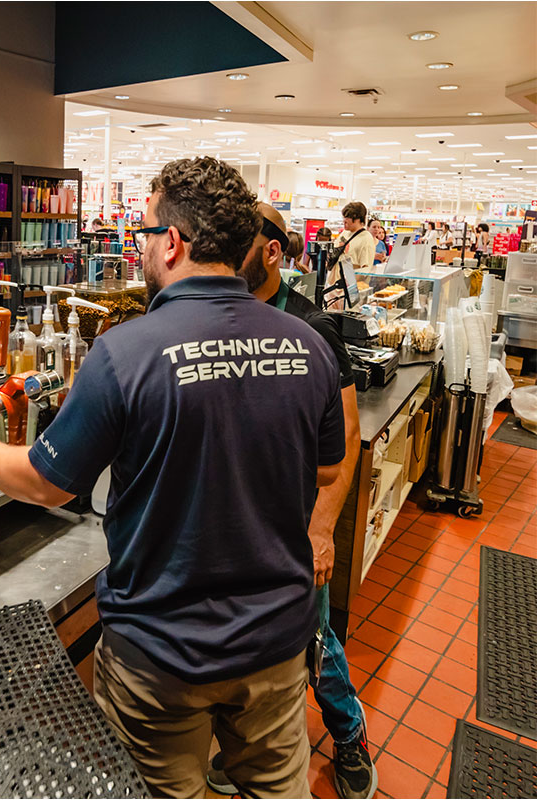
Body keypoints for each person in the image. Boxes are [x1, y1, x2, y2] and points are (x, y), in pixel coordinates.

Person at [0, 156, 346, 797]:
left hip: (161, 653)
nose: (140, 248)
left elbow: (49, 484)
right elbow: (326, 468)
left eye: (145, 233)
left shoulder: (126, 352)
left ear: (174, 243)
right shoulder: (308, 345)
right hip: (275, 644)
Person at [212, 203, 376, 799]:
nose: (225, 250)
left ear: (273, 250)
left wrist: (323, 530)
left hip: (295, 522)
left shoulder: (313, 327)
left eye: (240, 241)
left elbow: (350, 434)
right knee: (241, 639)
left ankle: (349, 734)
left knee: (313, 638)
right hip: (234, 522)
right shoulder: (214, 314)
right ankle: (240, 744)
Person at [335, 202, 374, 273]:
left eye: (347, 217)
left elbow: (366, 269)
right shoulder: (345, 233)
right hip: (337, 278)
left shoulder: (366, 238)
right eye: (344, 217)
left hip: (351, 280)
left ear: (357, 219)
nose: (344, 221)